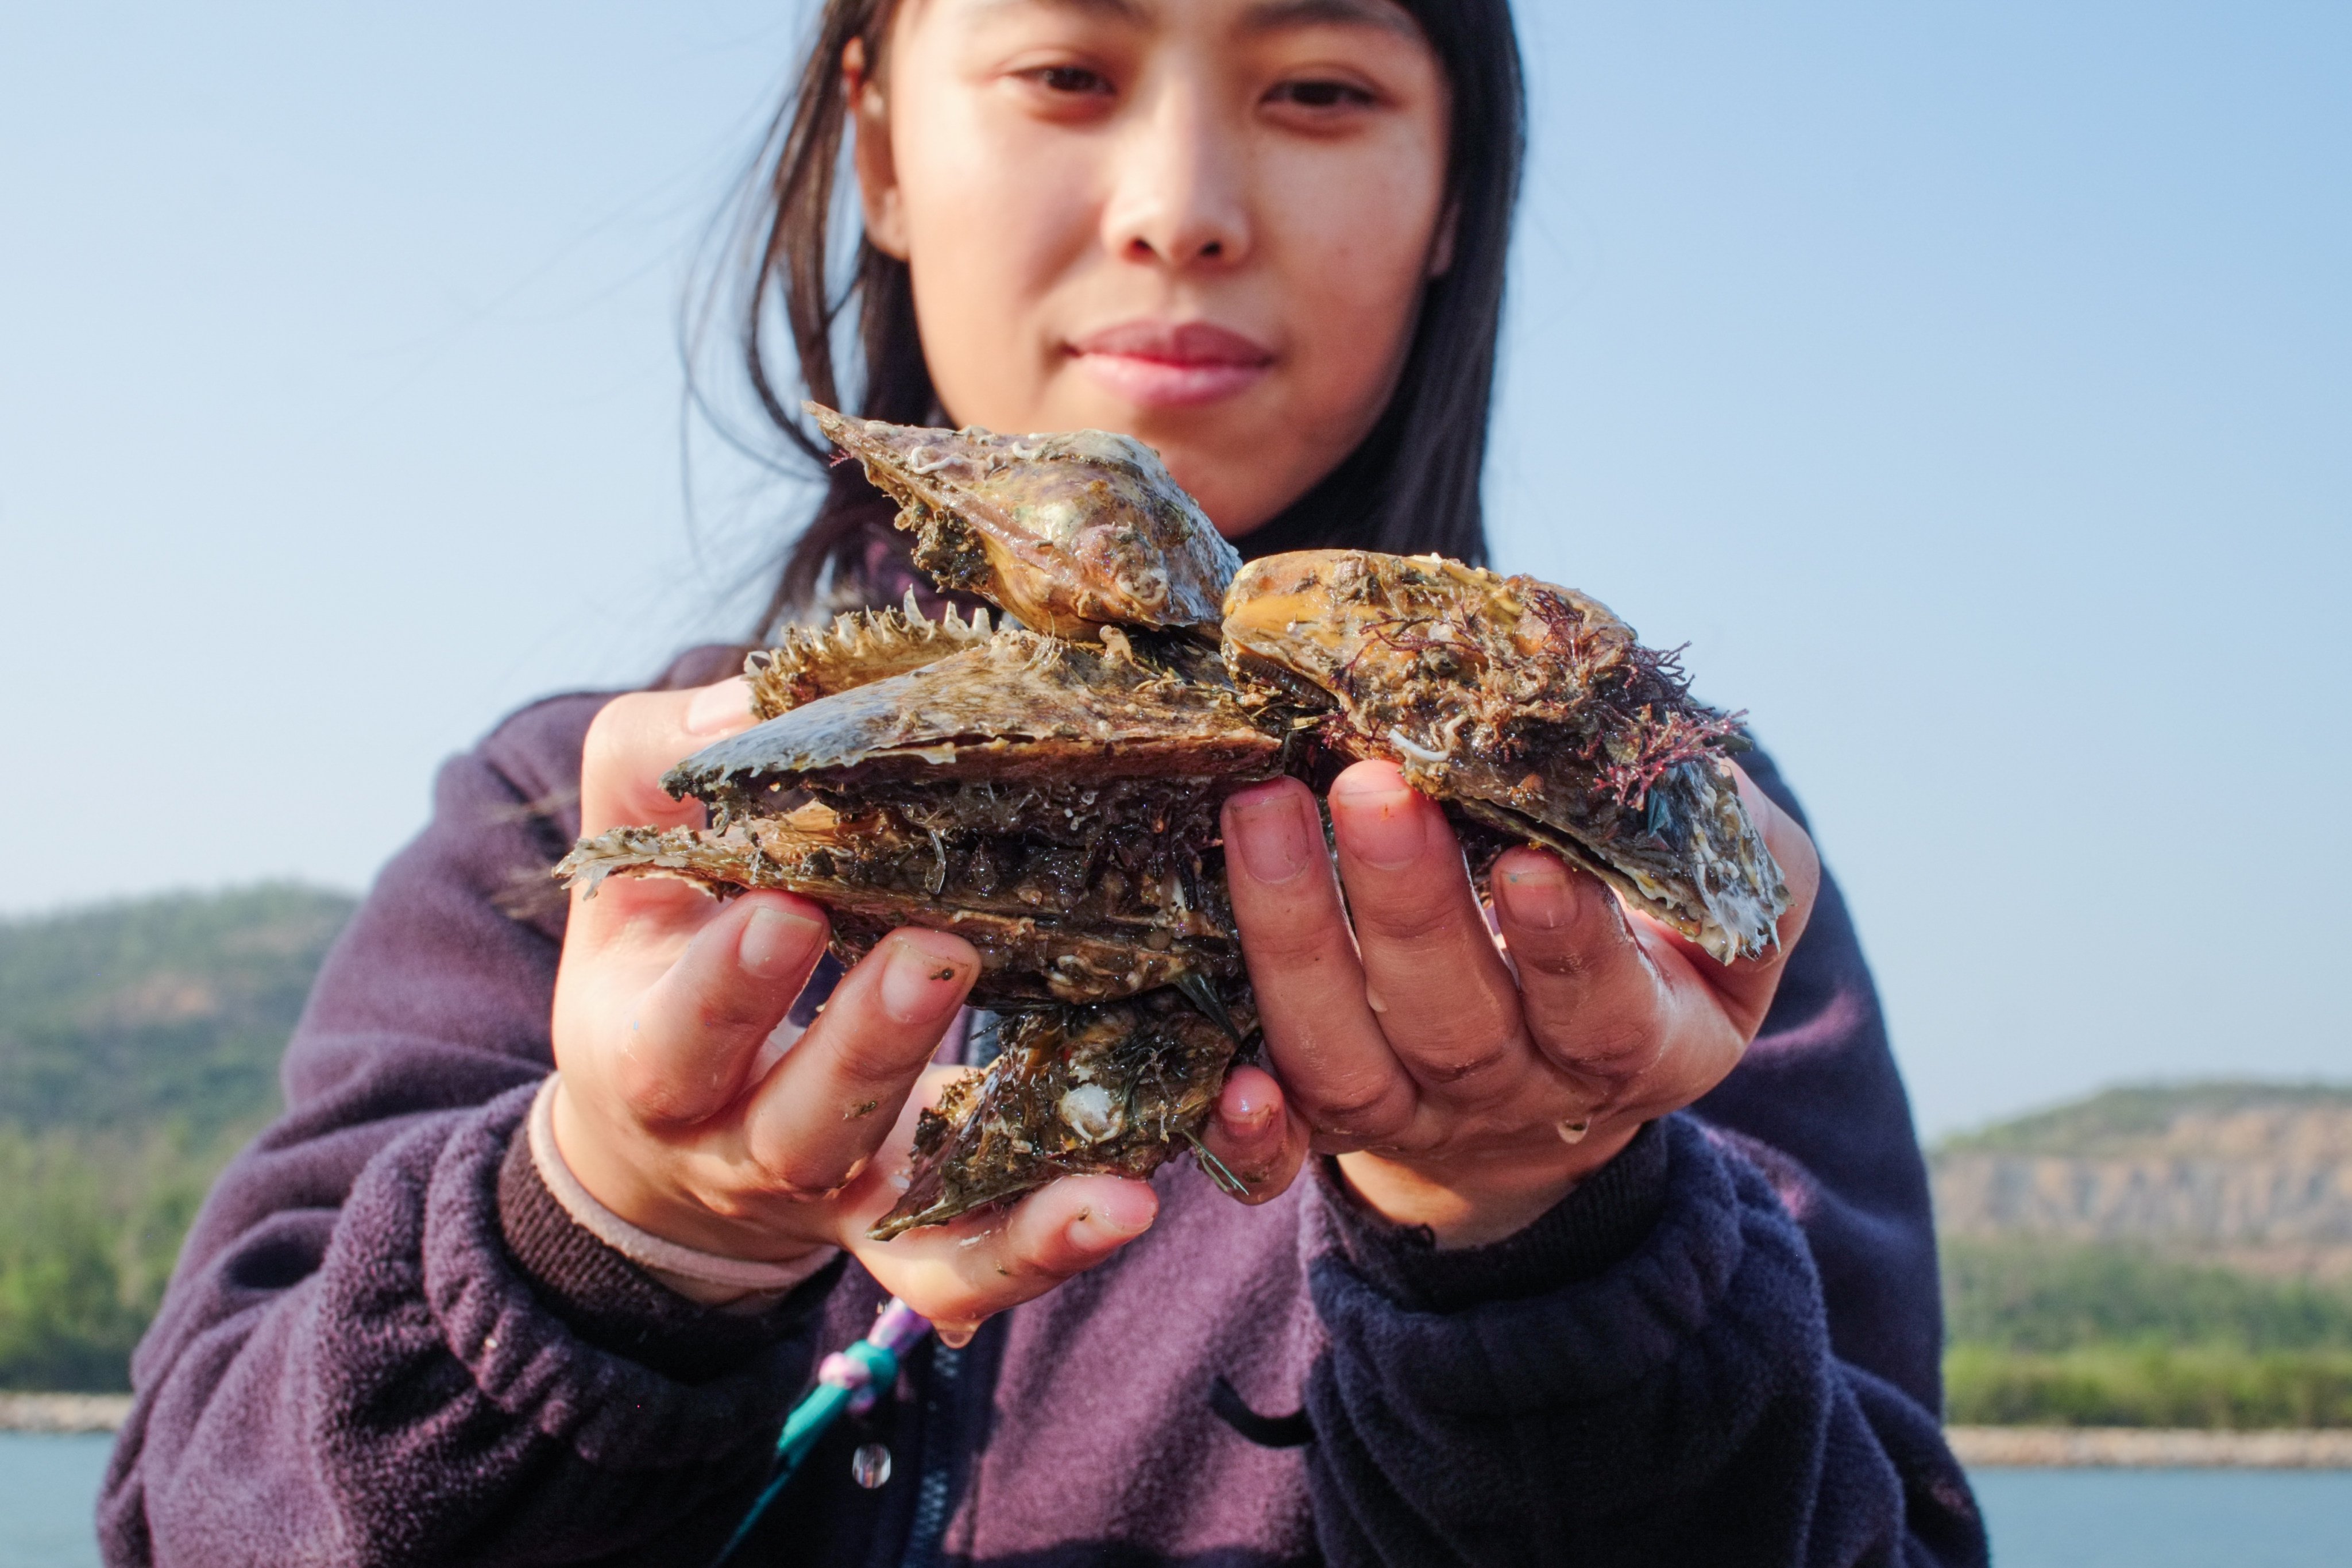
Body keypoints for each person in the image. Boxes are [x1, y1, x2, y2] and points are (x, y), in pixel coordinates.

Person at [102, 2, 1987, 1564]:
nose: (1181, 206)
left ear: (1454, 193)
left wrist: (1550, 1233)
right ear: (885, 147)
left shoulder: (1649, 914)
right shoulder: (568, 829)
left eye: (1319, 88)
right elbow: (201, 1520)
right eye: (1069, 71)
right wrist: (615, 1228)